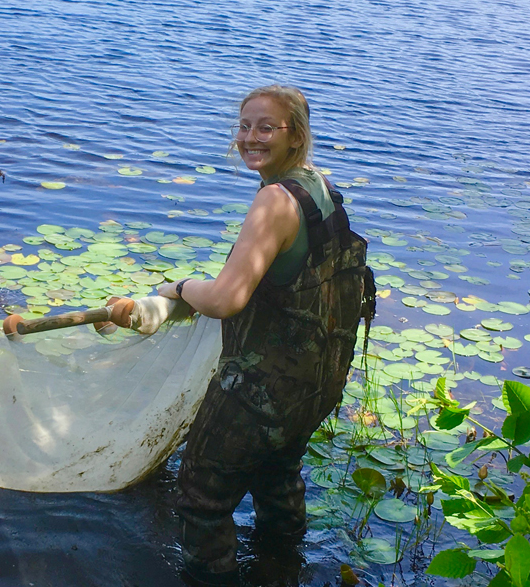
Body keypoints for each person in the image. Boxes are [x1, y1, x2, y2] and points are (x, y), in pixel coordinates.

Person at [157, 85, 375, 584]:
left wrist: (179, 286)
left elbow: (226, 299)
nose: (250, 137)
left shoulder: (274, 202)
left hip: (264, 390)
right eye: (244, 126)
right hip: (315, 386)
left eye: (266, 128)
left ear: (295, 135)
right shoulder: (318, 185)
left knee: (200, 492)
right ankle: (283, 566)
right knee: (276, 477)